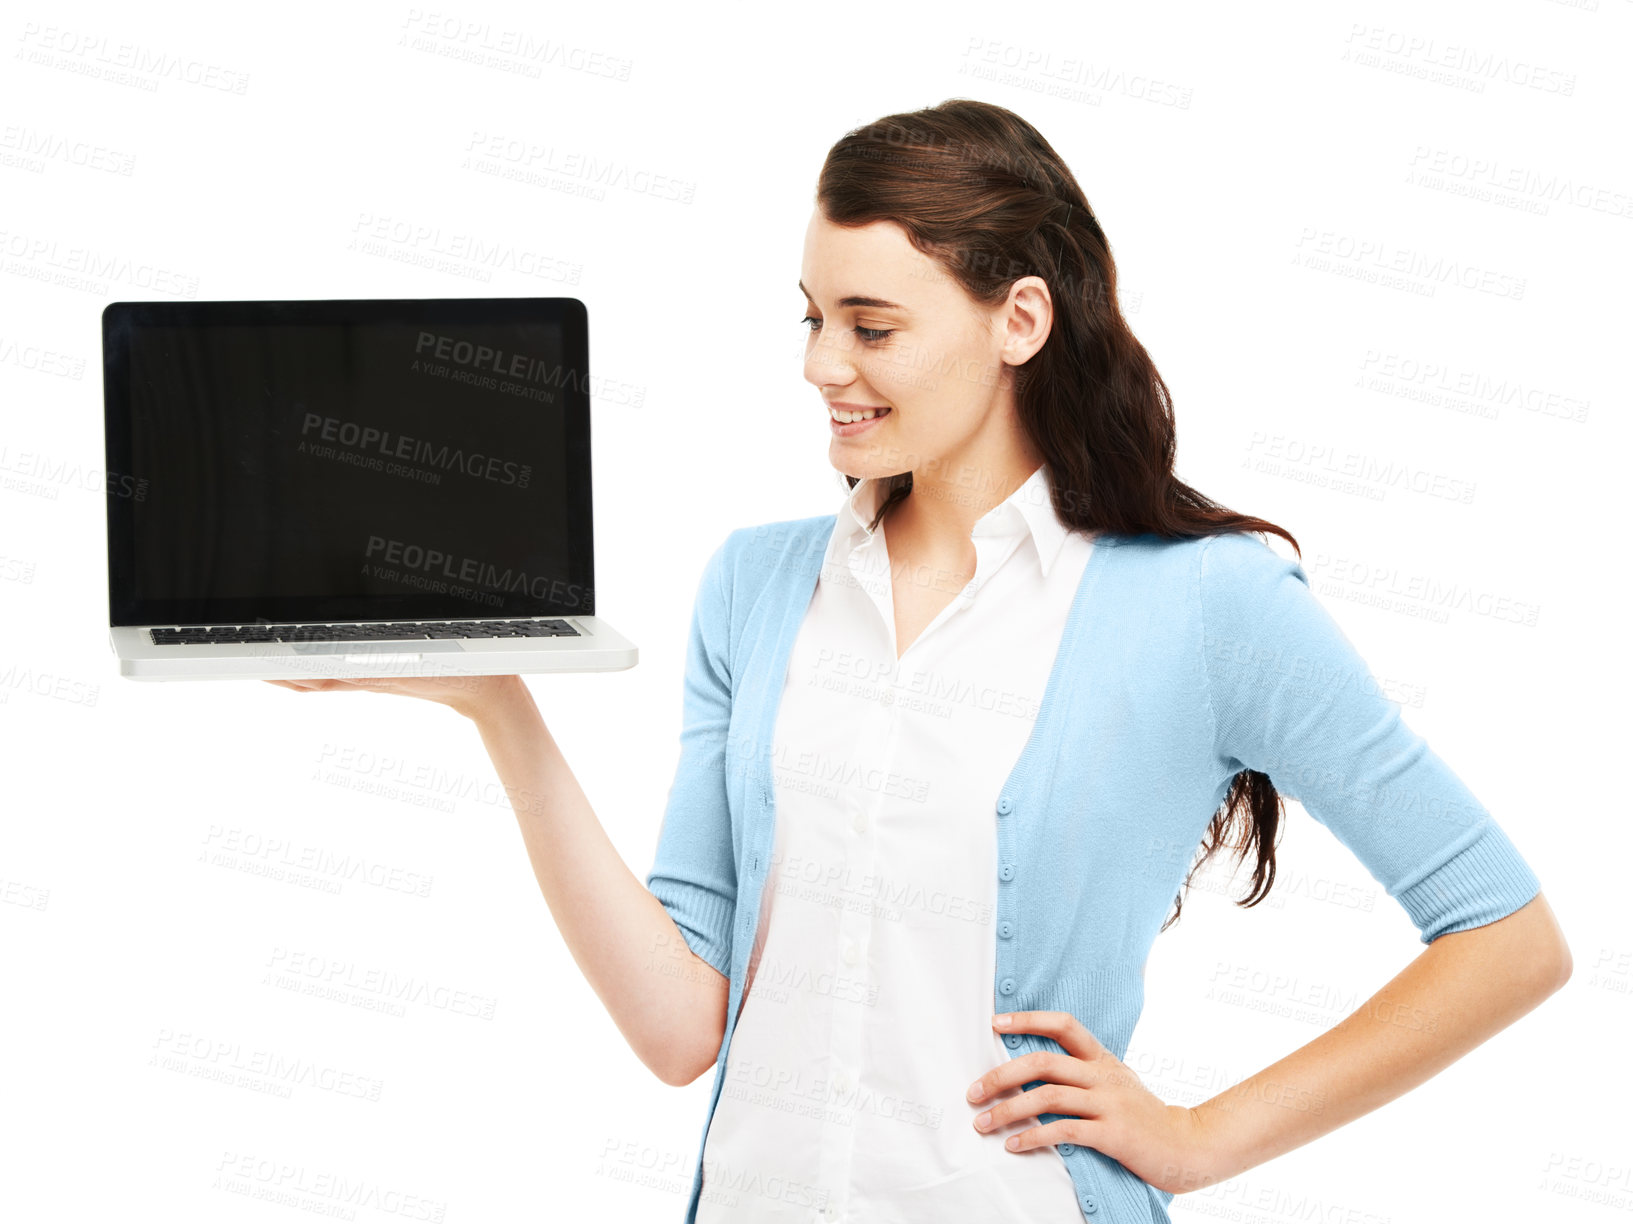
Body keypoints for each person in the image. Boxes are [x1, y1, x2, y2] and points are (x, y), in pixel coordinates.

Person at [269, 99, 1571, 1224]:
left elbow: (1505, 938)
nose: (819, 365)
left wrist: (1197, 1137)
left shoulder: (1205, 602)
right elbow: (680, 1029)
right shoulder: (755, 585)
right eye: (810, 317)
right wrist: (501, 713)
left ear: (1017, 320)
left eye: (870, 326)